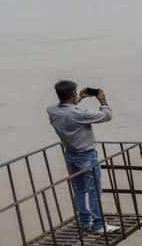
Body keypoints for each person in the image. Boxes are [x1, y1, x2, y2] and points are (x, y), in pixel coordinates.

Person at [47, 80, 119, 234]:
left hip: (70, 155)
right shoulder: (77, 113)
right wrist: (102, 100)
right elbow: (107, 116)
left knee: (79, 190)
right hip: (87, 155)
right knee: (94, 191)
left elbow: (67, 109)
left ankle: (85, 222)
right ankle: (99, 225)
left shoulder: (52, 110)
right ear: (72, 93)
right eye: (75, 92)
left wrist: (79, 98)